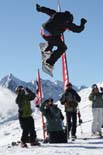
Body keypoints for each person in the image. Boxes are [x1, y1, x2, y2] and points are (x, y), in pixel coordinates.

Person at [36, 4, 87, 68]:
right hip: (49, 35)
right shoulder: (68, 23)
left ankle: (48, 49)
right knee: (63, 47)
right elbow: (78, 30)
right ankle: (49, 62)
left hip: (42, 30)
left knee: (57, 36)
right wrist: (82, 23)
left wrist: (39, 8)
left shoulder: (56, 13)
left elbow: (47, 10)